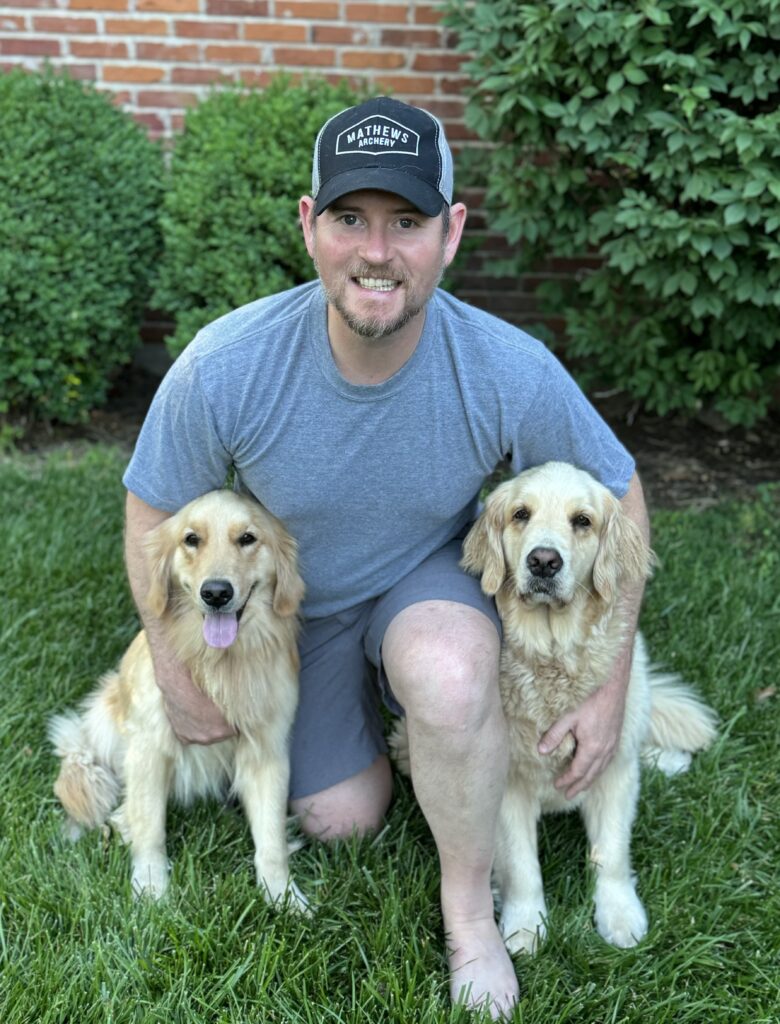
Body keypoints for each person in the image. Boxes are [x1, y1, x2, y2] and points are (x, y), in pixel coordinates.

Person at [122, 96, 649, 1018]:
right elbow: (152, 508)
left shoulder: (504, 365)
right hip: (295, 615)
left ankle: (471, 919)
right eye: (350, 219)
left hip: (424, 584)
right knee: (340, 818)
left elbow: (620, 486)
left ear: (450, 233)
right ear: (308, 226)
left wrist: (606, 688)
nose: (377, 251)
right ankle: (386, 730)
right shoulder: (227, 364)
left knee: (447, 677)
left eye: (406, 222)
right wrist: (172, 662)